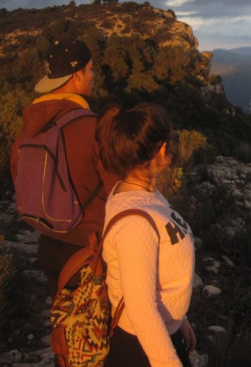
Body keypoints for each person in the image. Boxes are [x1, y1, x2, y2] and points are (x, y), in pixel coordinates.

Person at [10, 39, 116, 295]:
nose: (92, 75)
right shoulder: (92, 129)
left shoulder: (27, 132)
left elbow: (19, 177)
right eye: (90, 69)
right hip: (90, 250)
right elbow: (119, 189)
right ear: (77, 75)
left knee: (64, 322)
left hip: (48, 244)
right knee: (96, 328)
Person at [95, 103, 196, 367]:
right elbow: (141, 309)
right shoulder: (135, 222)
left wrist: (178, 320)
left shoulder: (141, 193)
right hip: (142, 347)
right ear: (162, 149)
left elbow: (157, 268)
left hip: (159, 334)